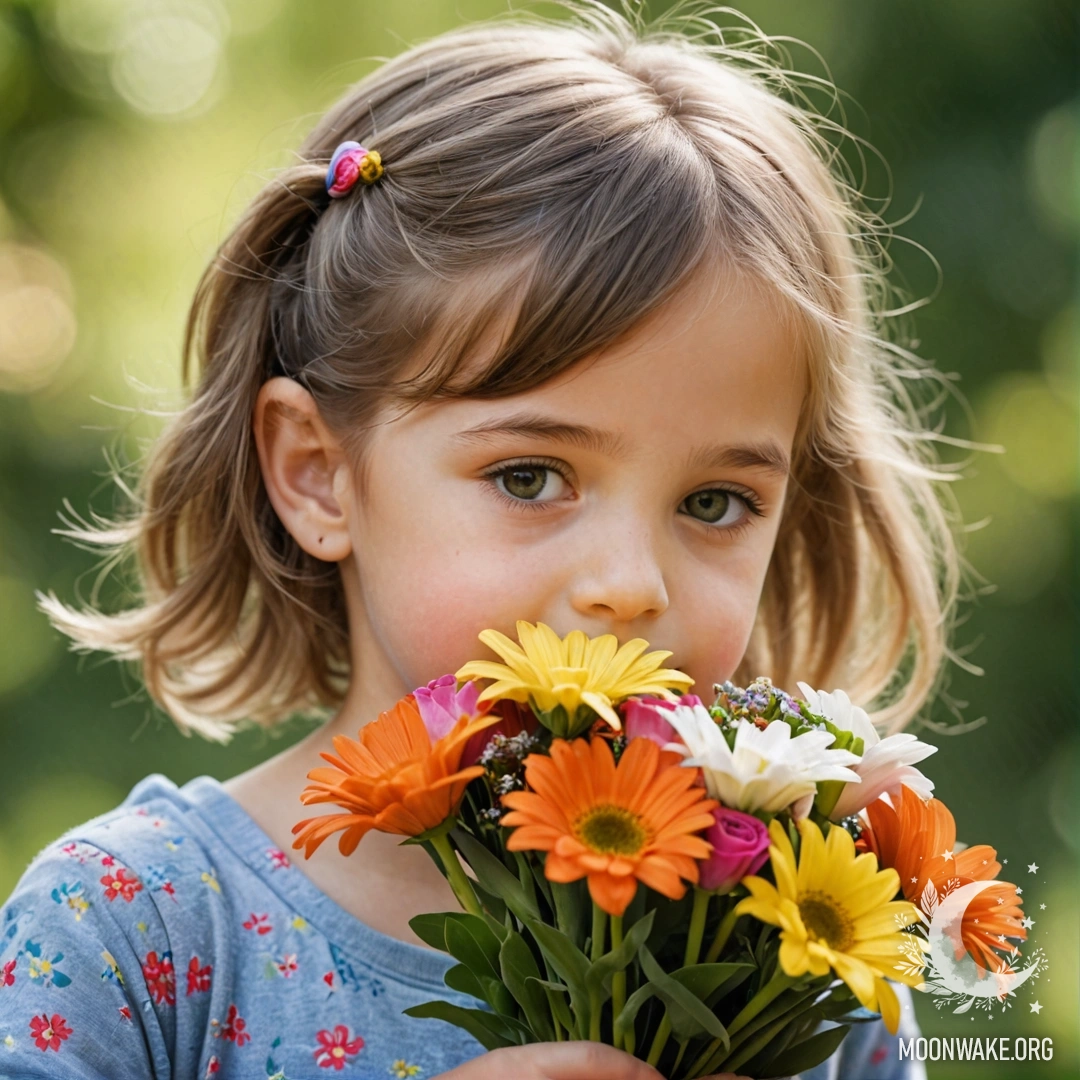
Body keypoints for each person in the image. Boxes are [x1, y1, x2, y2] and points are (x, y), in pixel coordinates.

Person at [0, 2, 953, 1076]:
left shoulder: (796, 945)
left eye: (715, 502)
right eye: (530, 476)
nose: (630, 586)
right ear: (318, 473)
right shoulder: (135, 930)